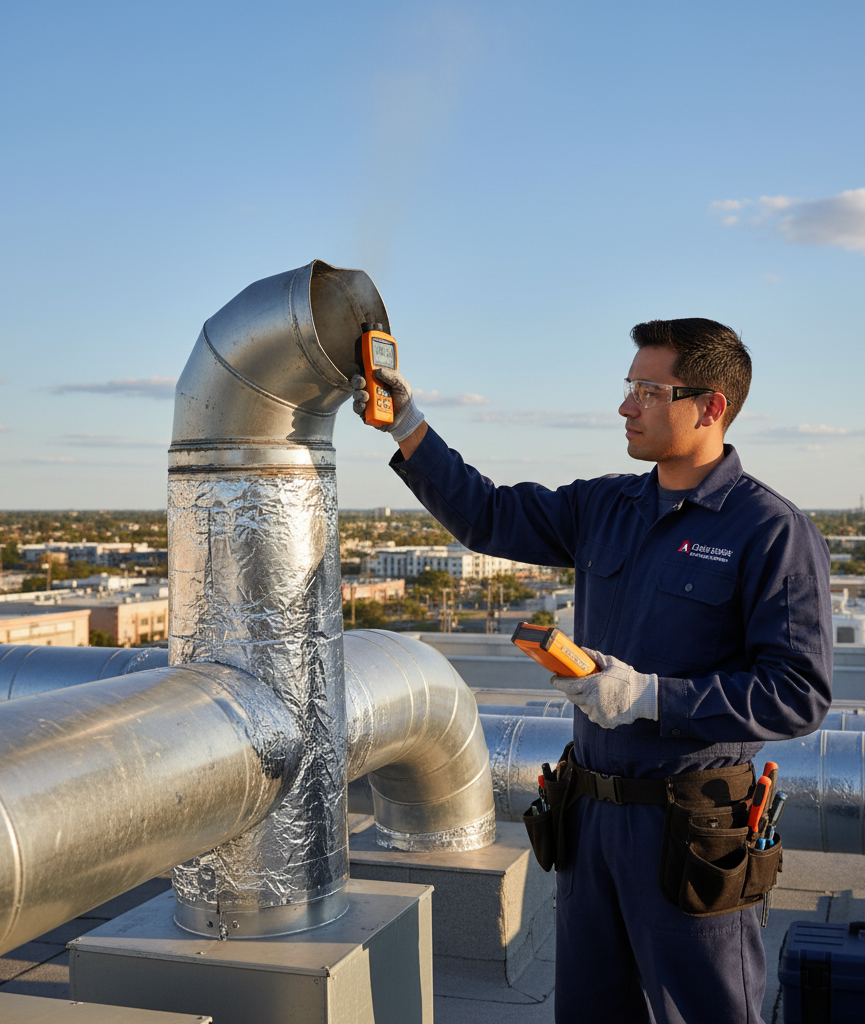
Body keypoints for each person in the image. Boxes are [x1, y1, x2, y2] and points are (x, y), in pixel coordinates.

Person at [351, 318, 832, 1024]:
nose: (625, 406)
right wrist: (409, 424)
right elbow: (487, 515)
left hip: (692, 830)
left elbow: (798, 694)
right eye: (628, 387)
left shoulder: (770, 532)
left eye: (647, 389)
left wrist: (650, 699)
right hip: (591, 821)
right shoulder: (605, 506)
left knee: (706, 1013)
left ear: (712, 406)